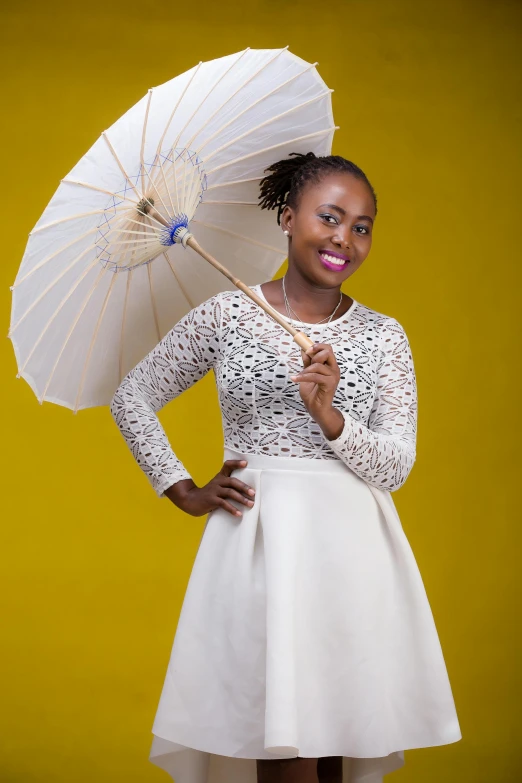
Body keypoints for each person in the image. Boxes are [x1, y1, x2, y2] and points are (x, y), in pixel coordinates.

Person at [110, 152, 462, 783]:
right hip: (261, 550)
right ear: (287, 217)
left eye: (362, 226)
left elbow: (396, 466)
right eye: (329, 217)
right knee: (282, 747)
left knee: (336, 752)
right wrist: (182, 489)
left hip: (353, 555)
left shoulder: (385, 336)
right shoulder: (228, 315)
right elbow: (131, 396)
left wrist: (332, 418)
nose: (344, 239)